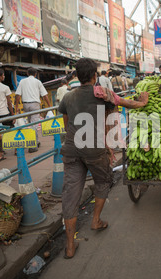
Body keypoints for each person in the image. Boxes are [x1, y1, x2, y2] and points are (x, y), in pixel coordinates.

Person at [58, 58, 149, 259]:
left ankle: (70, 246)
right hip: (94, 150)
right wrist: (143, 101)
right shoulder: (101, 93)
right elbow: (127, 103)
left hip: (72, 149)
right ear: (94, 76)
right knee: (103, 180)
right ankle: (96, 220)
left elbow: (66, 124)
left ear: (76, 76)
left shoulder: (68, 96)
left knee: (71, 194)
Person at [14, 68, 52, 153]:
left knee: (30, 123)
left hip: (26, 105)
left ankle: (36, 141)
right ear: (35, 74)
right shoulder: (38, 82)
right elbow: (45, 95)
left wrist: (16, 106)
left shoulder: (22, 81)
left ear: (27, 73)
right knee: (34, 124)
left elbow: (17, 95)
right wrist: (49, 106)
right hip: (35, 104)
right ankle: (33, 145)